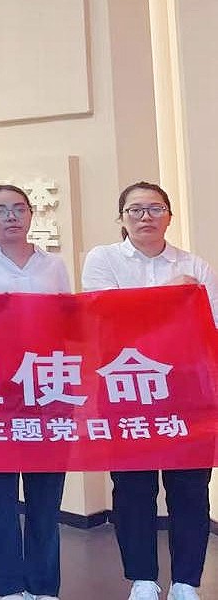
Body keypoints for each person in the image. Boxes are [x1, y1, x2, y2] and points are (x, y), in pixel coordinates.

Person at [82, 182, 216, 600]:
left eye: (155, 208)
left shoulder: (194, 264)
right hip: (126, 388)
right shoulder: (103, 259)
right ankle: (142, 577)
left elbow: (210, 323)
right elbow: (105, 317)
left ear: (169, 217)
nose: (146, 216)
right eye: (135, 209)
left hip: (186, 392)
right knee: (133, 488)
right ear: (122, 218)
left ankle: (185, 580)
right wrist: (175, 297)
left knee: (190, 488)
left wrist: (152, 310)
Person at [0, 184, 71, 600]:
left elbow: (66, 324)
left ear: (31, 215)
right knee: (0, 493)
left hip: (47, 390)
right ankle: (6, 585)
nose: (11, 217)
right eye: (0, 210)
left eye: (19, 208)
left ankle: (43, 584)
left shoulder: (54, 265)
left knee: (45, 494)